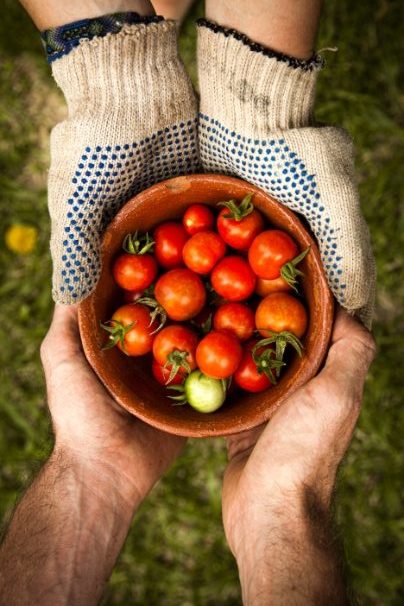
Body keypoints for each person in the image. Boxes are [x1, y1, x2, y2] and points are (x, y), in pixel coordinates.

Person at [0, 1, 376, 604]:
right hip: (213, 268)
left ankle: (158, 15)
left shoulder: (175, 317)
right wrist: (258, 94)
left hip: (200, 275)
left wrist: (112, 77)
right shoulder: (211, 320)